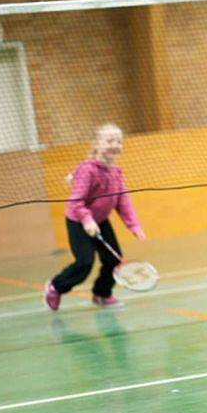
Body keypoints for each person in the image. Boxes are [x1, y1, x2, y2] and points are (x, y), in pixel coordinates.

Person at [45, 124, 145, 310]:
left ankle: (101, 293)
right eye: (109, 141)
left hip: (100, 221)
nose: (115, 145)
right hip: (78, 221)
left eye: (119, 141)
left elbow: (123, 201)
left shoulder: (116, 172)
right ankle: (56, 286)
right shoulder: (87, 170)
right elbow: (76, 201)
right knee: (84, 263)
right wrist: (87, 220)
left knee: (113, 260)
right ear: (97, 144)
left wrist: (134, 226)